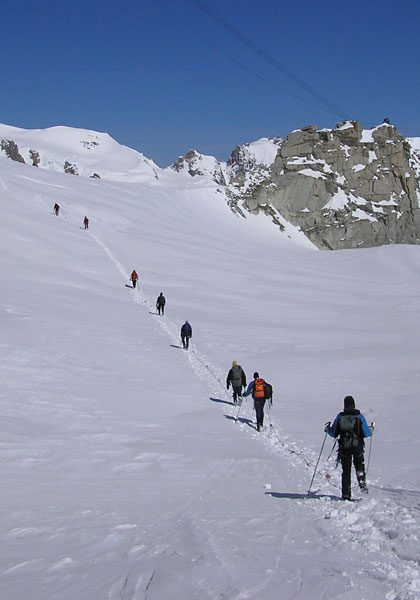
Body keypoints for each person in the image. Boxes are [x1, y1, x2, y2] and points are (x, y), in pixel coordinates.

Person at [325, 395, 373, 501]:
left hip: (344, 447)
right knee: (359, 465)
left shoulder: (340, 416)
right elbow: (366, 432)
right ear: (354, 405)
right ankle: (361, 481)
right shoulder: (359, 416)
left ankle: (346, 495)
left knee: (346, 471)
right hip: (358, 447)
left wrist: (327, 429)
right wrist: (372, 429)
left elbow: (333, 432)